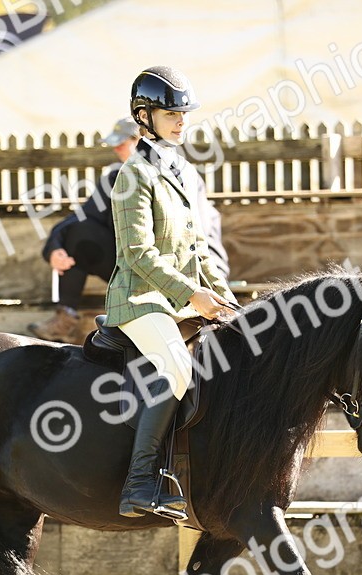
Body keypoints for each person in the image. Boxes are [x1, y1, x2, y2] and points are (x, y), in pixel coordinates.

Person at [105, 66, 238, 520]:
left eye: (184, 113)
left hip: (175, 300)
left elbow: (198, 250)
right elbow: (137, 253)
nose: (181, 120)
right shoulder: (133, 174)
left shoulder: (178, 171)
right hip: (138, 299)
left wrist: (227, 301)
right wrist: (192, 295)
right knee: (179, 368)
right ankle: (139, 483)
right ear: (144, 117)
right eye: (170, 113)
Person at [29, 116, 232, 344]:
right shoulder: (118, 176)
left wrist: (208, 287)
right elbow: (80, 219)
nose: (115, 149)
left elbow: (195, 240)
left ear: (140, 140)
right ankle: (65, 317)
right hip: (143, 265)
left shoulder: (180, 175)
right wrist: (54, 248)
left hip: (187, 269)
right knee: (79, 233)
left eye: (121, 143)